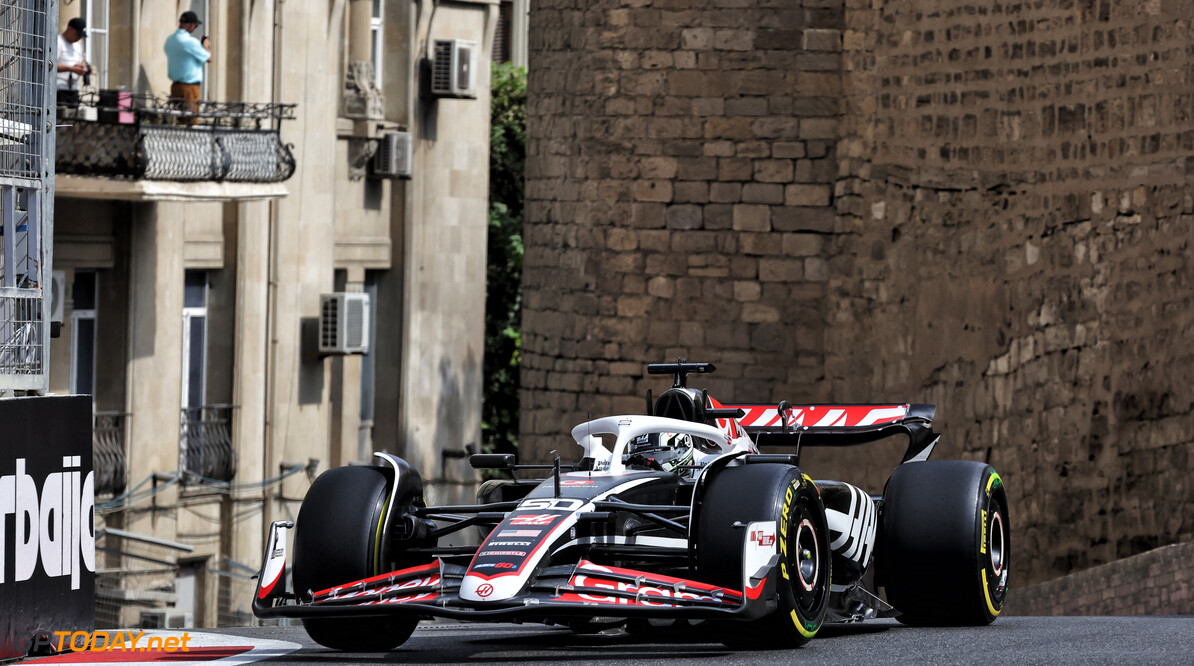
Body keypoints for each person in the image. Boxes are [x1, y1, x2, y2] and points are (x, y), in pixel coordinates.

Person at [164, 11, 211, 124]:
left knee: (179, 120)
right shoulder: (191, 42)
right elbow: (208, 58)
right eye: (195, 25)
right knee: (191, 121)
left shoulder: (170, 40)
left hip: (175, 86)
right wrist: (206, 46)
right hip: (189, 88)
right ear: (191, 25)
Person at [57, 18, 90, 109]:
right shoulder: (58, 41)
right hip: (59, 89)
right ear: (69, 29)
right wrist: (72, 69)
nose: (79, 37)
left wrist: (83, 69)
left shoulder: (77, 46)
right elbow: (51, 66)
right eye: (77, 34)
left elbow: (78, 63)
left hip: (74, 90)